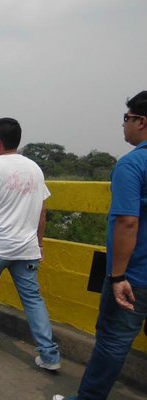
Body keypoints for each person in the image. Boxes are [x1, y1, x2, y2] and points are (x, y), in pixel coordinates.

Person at [53, 92, 147, 400]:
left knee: (112, 341)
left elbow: (127, 223)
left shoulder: (132, 165)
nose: (124, 126)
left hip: (135, 276)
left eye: (126, 119)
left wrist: (118, 277)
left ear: (141, 122)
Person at [0, 118, 60, 370]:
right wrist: (39, 244)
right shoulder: (35, 169)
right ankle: (49, 356)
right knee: (33, 300)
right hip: (26, 249)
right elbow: (42, 211)